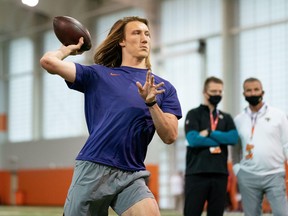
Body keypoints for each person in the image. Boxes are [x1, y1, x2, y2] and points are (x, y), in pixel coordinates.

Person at [40, 16, 182, 216]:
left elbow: (170, 136)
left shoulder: (163, 88)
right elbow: (48, 62)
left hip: (132, 173)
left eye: (147, 34)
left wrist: (151, 103)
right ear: (122, 41)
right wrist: (68, 49)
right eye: (137, 33)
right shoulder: (98, 75)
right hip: (94, 168)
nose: (145, 38)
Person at [232, 77, 288, 216]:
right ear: (244, 94)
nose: (253, 93)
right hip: (248, 176)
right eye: (249, 90)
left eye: (256, 89)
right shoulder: (238, 120)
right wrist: (237, 169)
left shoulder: (278, 115)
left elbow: (286, 143)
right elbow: (235, 148)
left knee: (282, 213)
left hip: (274, 174)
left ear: (263, 92)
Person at [184, 76, 238, 216]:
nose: (217, 95)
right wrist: (221, 139)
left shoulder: (226, 118)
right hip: (197, 174)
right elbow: (193, 140)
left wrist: (209, 132)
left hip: (220, 174)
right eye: (214, 91)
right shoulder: (193, 114)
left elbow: (233, 138)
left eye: (220, 91)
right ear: (205, 92)